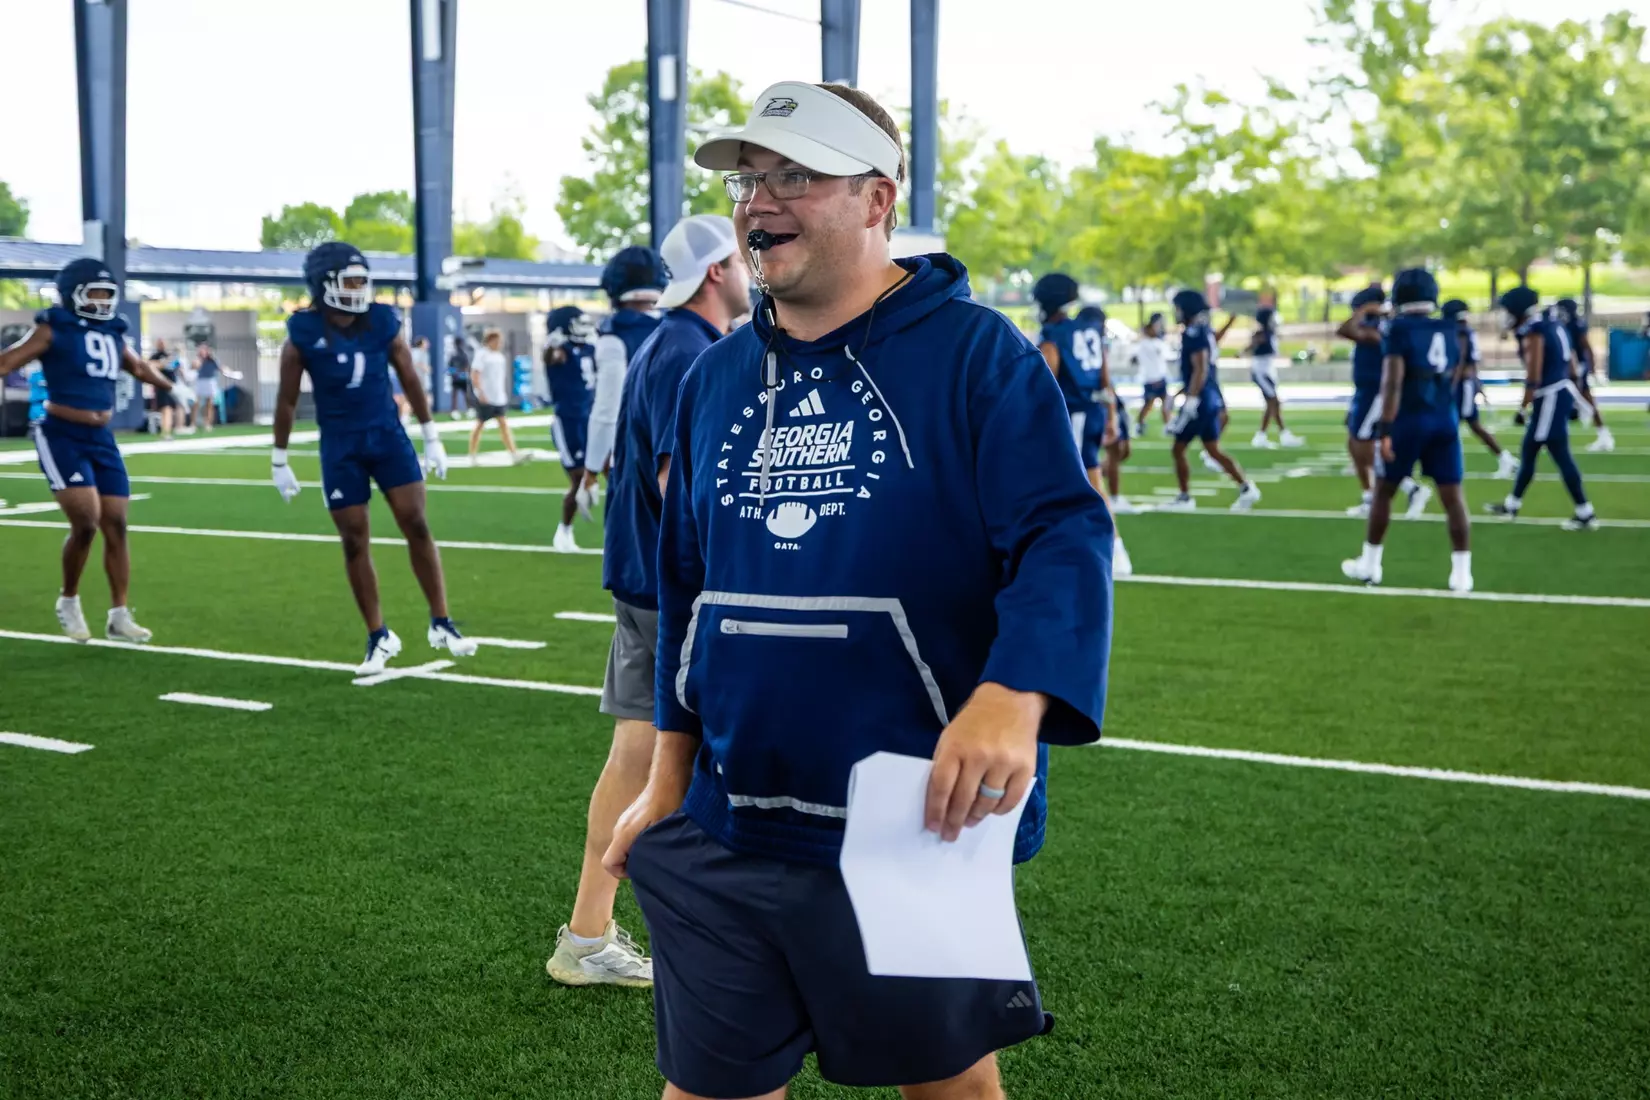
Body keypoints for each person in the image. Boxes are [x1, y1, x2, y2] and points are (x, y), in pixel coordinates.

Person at [602, 80, 1113, 1100]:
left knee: (949, 1090)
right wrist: (667, 778)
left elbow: (1064, 534)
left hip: (911, 823)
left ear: (878, 199)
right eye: (753, 179)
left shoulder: (979, 357)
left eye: (798, 175)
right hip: (729, 812)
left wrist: (1013, 696)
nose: (761, 201)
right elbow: (687, 591)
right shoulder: (713, 378)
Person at [547, 214, 749, 990]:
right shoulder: (686, 349)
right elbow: (678, 482)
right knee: (660, 756)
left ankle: (591, 933)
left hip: (653, 578)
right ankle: (603, 932)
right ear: (713, 273)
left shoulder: (675, 343)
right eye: (737, 258)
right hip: (668, 587)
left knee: (648, 754)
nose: (749, 268)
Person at [270, 242, 478, 673]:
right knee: (353, 537)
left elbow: (409, 376)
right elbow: (287, 400)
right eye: (350, 282)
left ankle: (441, 620)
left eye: (363, 281)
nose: (359, 289)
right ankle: (377, 634)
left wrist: (431, 435)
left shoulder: (382, 321)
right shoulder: (304, 333)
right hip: (340, 444)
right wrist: (279, 456)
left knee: (416, 521)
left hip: (386, 435)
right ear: (324, 286)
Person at [0, 258, 182, 642]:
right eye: (93, 293)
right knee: (86, 521)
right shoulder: (52, 328)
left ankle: (119, 615)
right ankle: (68, 599)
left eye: (106, 294)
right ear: (72, 295)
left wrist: (168, 385)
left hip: (102, 437)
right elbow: (8, 360)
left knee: (116, 522)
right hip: (61, 433)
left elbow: (137, 367)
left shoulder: (114, 333)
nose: (101, 301)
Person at [1341, 269, 1473, 592]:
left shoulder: (1399, 328)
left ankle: (1371, 565)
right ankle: (1461, 573)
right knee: (1453, 496)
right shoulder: (1450, 326)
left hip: (1408, 420)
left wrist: (1385, 428)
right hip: (1444, 417)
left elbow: (1392, 382)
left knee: (1384, 492)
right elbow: (1456, 372)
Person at [1035, 281, 1133, 577]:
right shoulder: (1089, 329)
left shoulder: (1053, 335)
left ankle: (1115, 550)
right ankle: (1076, 544)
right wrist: (1112, 416)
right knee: (1065, 481)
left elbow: (1045, 382)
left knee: (1087, 483)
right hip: (1093, 411)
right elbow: (1105, 378)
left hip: (1073, 415)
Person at [1486, 287, 1598, 531]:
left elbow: (1534, 373)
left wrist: (1523, 407)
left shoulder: (1535, 331)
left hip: (1549, 396)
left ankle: (1585, 512)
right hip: (1557, 393)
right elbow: (1570, 363)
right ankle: (1512, 505)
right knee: (1530, 450)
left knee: (1558, 453)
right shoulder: (1550, 322)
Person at [580, 247, 669, 523]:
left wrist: (591, 470)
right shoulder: (681, 328)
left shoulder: (615, 337)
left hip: (640, 462)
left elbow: (608, 409)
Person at [1162, 289, 1260, 512]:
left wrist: (1191, 400)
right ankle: (1246, 488)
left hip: (1202, 399)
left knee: (1178, 448)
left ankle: (1185, 497)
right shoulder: (1202, 329)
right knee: (1213, 449)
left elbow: (1200, 368)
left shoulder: (1194, 332)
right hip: (1209, 396)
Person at [1336, 287, 1430, 519]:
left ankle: (1411, 488)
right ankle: (1369, 496)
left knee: (1364, 445)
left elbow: (1345, 330)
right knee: (1353, 443)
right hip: (1363, 391)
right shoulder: (1376, 325)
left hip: (1376, 392)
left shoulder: (1383, 327)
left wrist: (1366, 311)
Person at [1442, 300, 1518, 479]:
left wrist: (1452, 386)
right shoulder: (1465, 332)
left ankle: (1504, 459)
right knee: (1469, 425)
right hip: (1466, 383)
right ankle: (1505, 459)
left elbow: (1460, 362)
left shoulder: (1460, 333)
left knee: (1461, 424)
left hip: (1463, 384)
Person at [543, 306, 597, 552]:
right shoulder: (558, 352)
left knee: (614, 473)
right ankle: (564, 531)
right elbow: (551, 357)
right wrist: (552, 344)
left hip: (592, 418)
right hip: (568, 422)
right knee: (578, 478)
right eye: (577, 323)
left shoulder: (590, 348)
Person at [1077, 306, 1137, 518]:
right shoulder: (1089, 339)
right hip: (1090, 405)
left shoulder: (1082, 338)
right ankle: (1110, 496)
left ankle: (1109, 494)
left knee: (1117, 451)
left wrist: (1112, 412)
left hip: (1096, 403)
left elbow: (1105, 380)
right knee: (1091, 462)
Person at [1551, 298, 1614, 453]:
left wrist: (1591, 369)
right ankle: (1602, 434)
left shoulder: (1575, 325)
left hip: (1577, 367)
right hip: (1568, 367)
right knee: (1580, 400)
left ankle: (1602, 434)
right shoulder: (1562, 324)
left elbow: (1587, 347)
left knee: (1583, 400)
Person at [1247, 304, 1304, 448]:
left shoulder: (1270, 333)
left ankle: (1263, 436)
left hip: (1268, 370)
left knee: (1272, 404)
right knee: (1274, 402)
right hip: (1261, 371)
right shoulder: (1261, 334)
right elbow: (1253, 344)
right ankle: (1282, 434)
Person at [467, 329, 521, 465]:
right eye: (497, 341)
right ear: (490, 340)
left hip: (498, 397)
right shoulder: (482, 355)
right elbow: (475, 374)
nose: (500, 344)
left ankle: (513, 453)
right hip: (486, 397)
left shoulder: (499, 357)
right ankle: (472, 454)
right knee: (480, 424)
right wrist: (480, 392)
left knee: (503, 424)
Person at [1132, 312, 1173, 434]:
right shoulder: (1145, 344)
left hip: (1160, 377)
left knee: (1165, 403)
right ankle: (1139, 424)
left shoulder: (1155, 343)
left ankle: (1168, 425)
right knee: (1148, 404)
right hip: (1151, 379)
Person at [193, 343, 239, 432]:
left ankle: (208, 423)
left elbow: (221, 368)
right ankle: (193, 423)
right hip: (200, 382)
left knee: (209, 404)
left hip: (210, 382)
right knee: (197, 403)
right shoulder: (198, 360)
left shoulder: (213, 360)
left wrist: (231, 373)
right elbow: (195, 367)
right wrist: (201, 359)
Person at [148, 338, 184, 439]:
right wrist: (163, 362)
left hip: (171, 385)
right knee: (165, 408)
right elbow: (153, 366)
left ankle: (166, 431)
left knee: (169, 409)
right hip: (161, 385)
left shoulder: (170, 356)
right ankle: (165, 431)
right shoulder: (155, 356)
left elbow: (177, 367)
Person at [446, 335, 472, 420]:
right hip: (461, 377)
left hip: (457, 377)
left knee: (457, 395)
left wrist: (454, 374)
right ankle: (462, 411)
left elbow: (450, 367)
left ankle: (456, 411)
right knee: (463, 395)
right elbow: (466, 366)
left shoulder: (455, 353)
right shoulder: (462, 353)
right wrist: (462, 373)